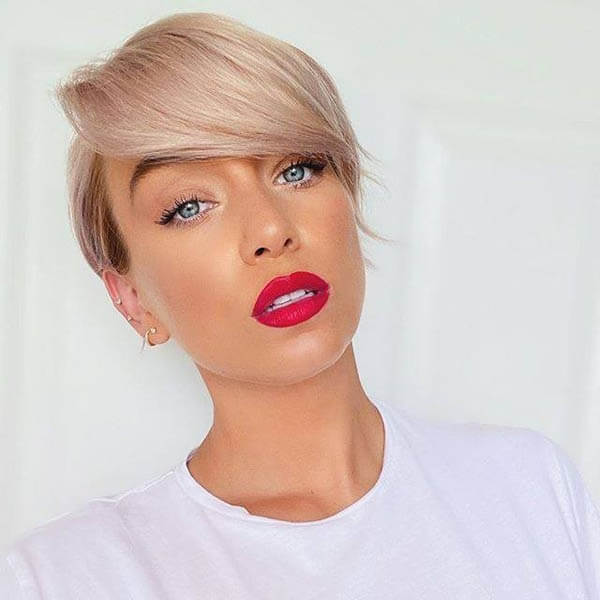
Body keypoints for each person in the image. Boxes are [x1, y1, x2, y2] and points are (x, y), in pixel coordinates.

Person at [2, 11, 599, 599]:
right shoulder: (61, 579)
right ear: (132, 300)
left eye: (295, 170)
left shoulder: (530, 488)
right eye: (190, 207)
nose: (270, 228)